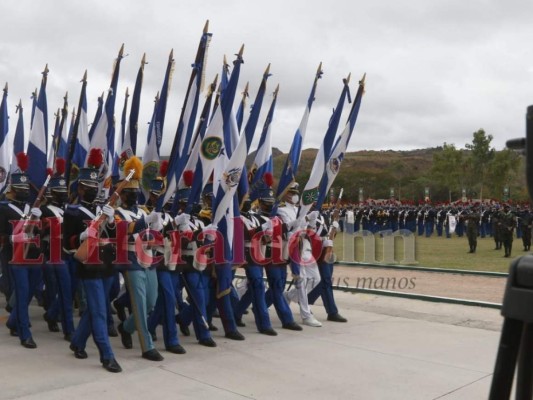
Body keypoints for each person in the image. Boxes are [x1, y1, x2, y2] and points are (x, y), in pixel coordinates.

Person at [64, 149, 122, 372]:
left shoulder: (101, 209)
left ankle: (78, 341)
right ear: (79, 188)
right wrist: (81, 236)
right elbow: (67, 244)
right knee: (98, 311)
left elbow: (112, 236)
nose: (89, 190)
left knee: (97, 307)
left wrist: (109, 220)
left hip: (107, 264)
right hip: (88, 265)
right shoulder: (72, 212)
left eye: (93, 187)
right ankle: (107, 355)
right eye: (86, 187)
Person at [115, 156, 164, 362]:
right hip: (131, 258)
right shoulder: (116, 212)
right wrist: (145, 222)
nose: (134, 196)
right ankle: (147, 346)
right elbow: (122, 231)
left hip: (148, 257)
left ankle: (125, 327)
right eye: (130, 192)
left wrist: (159, 224)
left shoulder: (144, 210)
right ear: (122, 194)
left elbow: (154, 231)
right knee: (140, 303)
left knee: (151, 302)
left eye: (136, 192)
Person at [0, 153, 43, 348]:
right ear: (13, 189)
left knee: (30, 292)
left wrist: (38, 220)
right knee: (23, 291)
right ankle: (24, 333)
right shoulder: (4, 208)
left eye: (26, 188)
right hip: (16, 258)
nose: (25, 191)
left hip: (34, 256)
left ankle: (12, 321)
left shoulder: (31, 207)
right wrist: (12, 238)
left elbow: (39, 234)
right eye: (21, 188)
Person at [276, 182, 322, 327]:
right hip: (292, 245)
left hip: (304, 245)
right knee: (301, 280)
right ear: (285, 195)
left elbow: (308, 229)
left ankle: (288, 296)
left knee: (315, 278)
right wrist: (306, 218)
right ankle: (306, 314)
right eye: (291, 193)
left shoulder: (300, 209)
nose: (294, 196)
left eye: (296, 193)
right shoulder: (281, 210)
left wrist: (312, 220)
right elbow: (289, 227)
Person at [41, 158, 75, 341]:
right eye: (59, 192)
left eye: (64, 192)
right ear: (52, 193)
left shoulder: (69, 209)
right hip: (55, 254)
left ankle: (52, 314)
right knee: (63, 290)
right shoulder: (45, 210)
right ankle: (68, 329)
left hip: (71, 254)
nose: (63, 195)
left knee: (69, 291)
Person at [308, 207, 347, 322]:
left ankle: (305, 300)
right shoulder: (306, 216)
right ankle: (332, 312)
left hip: (327, 249)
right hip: (315, 250)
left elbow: (330, 235)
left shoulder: (323, 215)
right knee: (325, 280)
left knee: (326, 280)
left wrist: (335, 225)